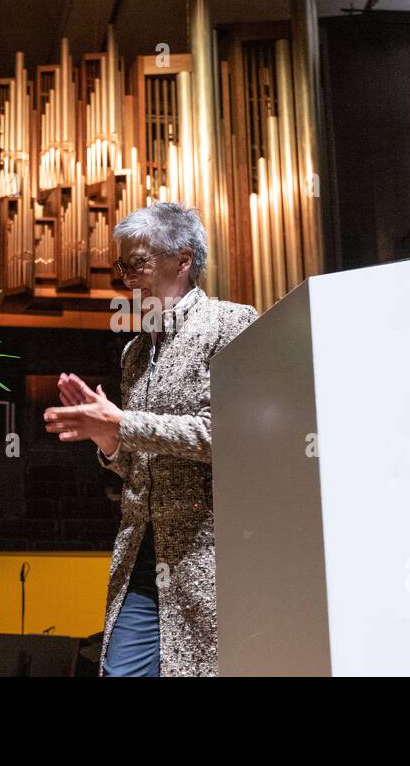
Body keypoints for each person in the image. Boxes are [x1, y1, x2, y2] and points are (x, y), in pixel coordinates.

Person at [43, 202, 258, 676]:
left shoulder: (231, 324)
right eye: (122, 266)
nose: (127, 278)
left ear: (183, 261)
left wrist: (124, 425)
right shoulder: (135, 350)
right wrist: (108, 441)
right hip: (140, 546)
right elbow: (137, 461)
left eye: (138, 262)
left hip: (208, 552)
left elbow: (227, 436)